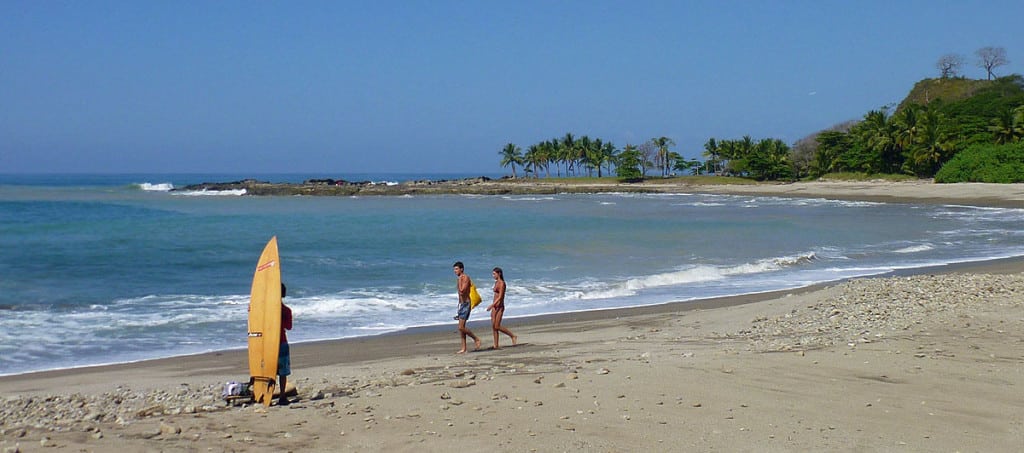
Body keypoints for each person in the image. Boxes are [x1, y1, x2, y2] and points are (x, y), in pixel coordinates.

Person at [453, 261, 482, 354]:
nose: (455, 271)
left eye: (456, 269)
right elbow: (459, 294)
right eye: (454, 269)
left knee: (461, 327)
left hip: (466, 304)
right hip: (461, 305)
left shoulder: (465, 278)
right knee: (462, 328)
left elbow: (462, 290)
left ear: (462, 269)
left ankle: (476, 339)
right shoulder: (459, 279)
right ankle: (463, 348)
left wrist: (460, 280)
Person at [486, 267, 518, 349]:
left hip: (499, 307)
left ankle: (513, 336)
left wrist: (492, 305)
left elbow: (500, 297)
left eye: (494, 274)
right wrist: (493, 306)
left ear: (499, 273)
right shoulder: (496, 282)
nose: (493, 275)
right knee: (493, 326)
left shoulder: (502, 283)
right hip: (495, 307)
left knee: (497, 326)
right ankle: (496, 345)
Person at [278, 283, 293, 406]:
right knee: (283, 372)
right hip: (282, 342)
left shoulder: (264, 310)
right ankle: (282, 395)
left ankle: (265, 393)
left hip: (267, 344)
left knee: (268, 371)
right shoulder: (287, 310)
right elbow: (289, 327)